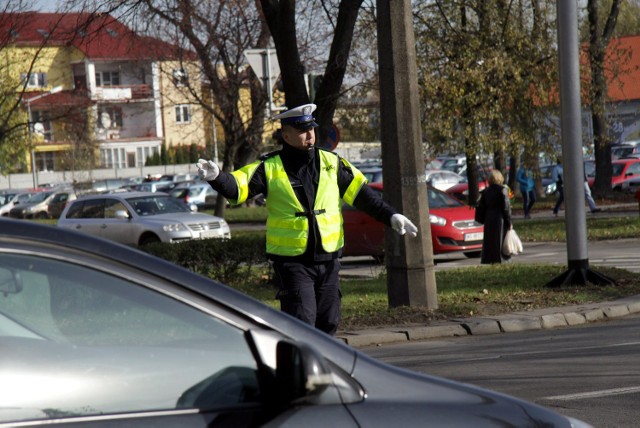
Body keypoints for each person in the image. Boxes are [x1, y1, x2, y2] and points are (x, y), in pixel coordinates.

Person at [196, 103, 418, 336]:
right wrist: (217, 177)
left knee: (329, 321)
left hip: (329, 259)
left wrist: (391, 216)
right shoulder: (270, 167)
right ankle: (301, 370)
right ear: (286, 135)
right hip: (293, 262)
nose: (310, 134)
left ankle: (323, 369)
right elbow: (237, 188)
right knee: (302, 321)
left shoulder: (332, 163)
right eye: (303, 130)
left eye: (312, 128)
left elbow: (363, 195)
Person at [476, 169, 512, 264]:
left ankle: (489, 259)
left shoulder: (485, 191)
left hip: (489, 218)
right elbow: (506, 208)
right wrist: (509, 221)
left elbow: (482, 206)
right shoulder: (502, 190)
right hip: (500, 218)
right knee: (500, 240)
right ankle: (501, 259)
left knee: (490, 241)